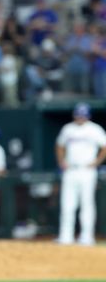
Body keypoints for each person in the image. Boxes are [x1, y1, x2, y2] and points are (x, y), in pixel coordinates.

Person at [55, 103, 106, 246]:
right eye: (78, 114)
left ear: (88, 115)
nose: (80, 118)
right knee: (67, 204)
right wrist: (61, 161)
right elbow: (59, 145)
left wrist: (96, 162)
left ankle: (87, 237)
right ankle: (65, 237)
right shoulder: (68, 129)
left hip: (87, 170)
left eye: (83, 115)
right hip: (71, 169)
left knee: (87, 204)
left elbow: (104, 147)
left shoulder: (95, 129)